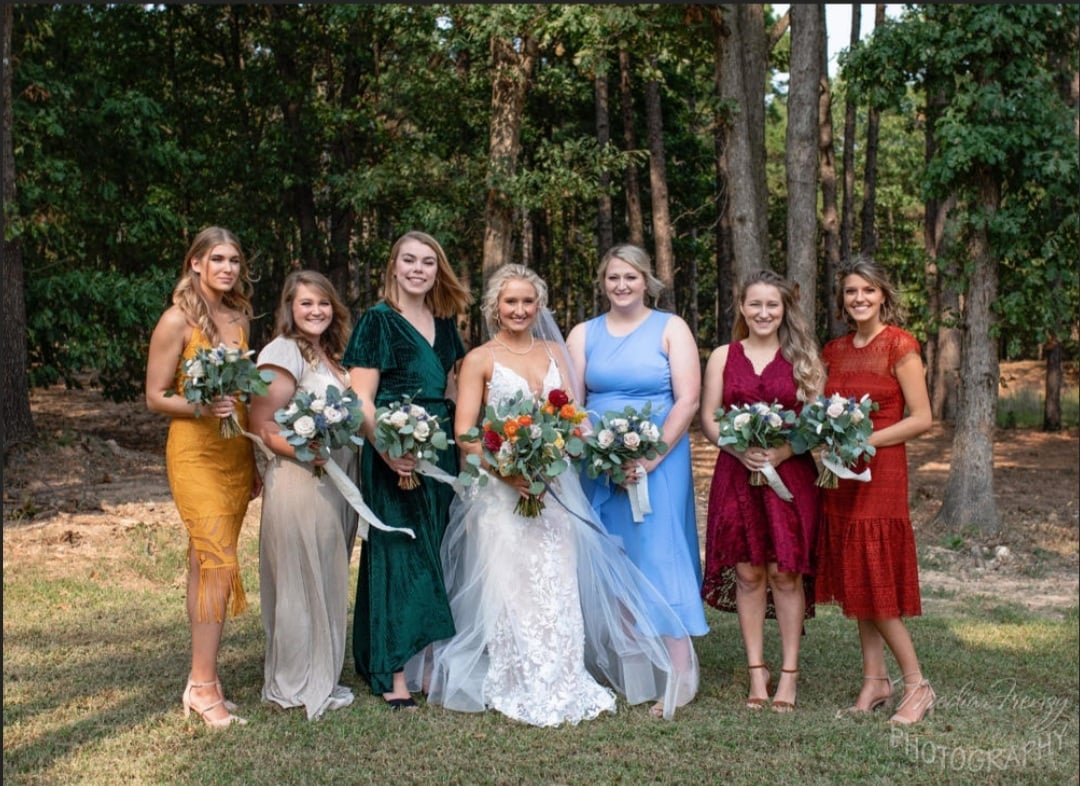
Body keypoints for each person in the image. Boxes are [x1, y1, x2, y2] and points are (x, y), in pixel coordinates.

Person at [427, 264, 698, 726]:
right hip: (502, 491)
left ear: (539, 306)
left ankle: (563, 674)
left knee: (557, 580)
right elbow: (467, 433)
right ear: (495, 306)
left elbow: (575, 418)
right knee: (513, 584)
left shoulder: (555, 351)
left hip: (555, 489)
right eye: (510, 301)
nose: (519, 309)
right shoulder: (479, 359)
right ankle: (518, 677)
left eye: (527, 301)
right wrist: (508, 471)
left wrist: (569, 453)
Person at [566, 243, 708, 717]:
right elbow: (573, 399)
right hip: (599, 463)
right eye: (613, 278)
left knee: (659, 553)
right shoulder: (583, 334)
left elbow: (687, 399)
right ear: (602, 283)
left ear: (647, 280)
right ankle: (633, 667)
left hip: (659, 460)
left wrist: (649, 458)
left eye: (630, 277)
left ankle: (680, 669)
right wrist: (599, 450)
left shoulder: (671, 327)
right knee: (614, 555)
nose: (621, 285)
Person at [343, 231, 472, 709]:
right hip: (392, 452)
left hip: (438, 452)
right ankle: (393, 670)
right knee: (399, 552)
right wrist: (388, 449)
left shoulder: (443, 321)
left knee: (436, 551)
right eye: (409, 260)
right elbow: (360, 400)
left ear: (438, 271)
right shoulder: (378, 321)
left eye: (428, 262)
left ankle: (429, 663)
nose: (419, 269)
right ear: (393, 266)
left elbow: (454, 387)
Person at [145, 226, 260, 728]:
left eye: (234, 260)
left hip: (234, 452)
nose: (228, 268)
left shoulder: (239, 318)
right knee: (217, 562)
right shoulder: (176, 320)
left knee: (204, 563)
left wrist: (255, 460)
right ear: (195, 263)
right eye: (217, 259)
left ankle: (199, 681)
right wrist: (200, 406)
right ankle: (205, 684)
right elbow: (154, 397)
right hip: (194, 453)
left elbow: (246, 397)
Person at [815, 255, 935, 725]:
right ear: (842, 300)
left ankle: (917, 685)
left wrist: (865, 440)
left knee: (875, 577)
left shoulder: (899, 345)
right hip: (841, 476)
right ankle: (874, 681)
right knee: (855, 577)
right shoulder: (834, 349)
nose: (859, 298)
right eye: (850, 291)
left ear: (883, 295)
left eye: (868, 290)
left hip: (880, 473)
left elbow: (922, 417)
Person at [699, 270, 825, 713]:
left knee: (786, 574)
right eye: (755, 304)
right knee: (749, 574)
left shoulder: (803, 357)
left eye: (773, 305)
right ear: (741, 307)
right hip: (737, 475)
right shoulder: (722, 356)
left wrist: (785, 451)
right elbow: (710, 420)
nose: (764, 313)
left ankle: (789, 673)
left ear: (785, 309)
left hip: (790, 478)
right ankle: (757, 671)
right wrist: (738, 448)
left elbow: (816, 421)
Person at [248, 270, 359, 720]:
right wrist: (306, 450)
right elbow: (263, 425)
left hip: (333, 481)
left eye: (323, 303)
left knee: (327, 574)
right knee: (298, 574)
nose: (316, 311)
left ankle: (323, 670)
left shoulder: (330, 354)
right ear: (289, 308)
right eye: (306, 304)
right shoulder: (281, 352)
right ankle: (293, 680)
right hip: (300, 479)